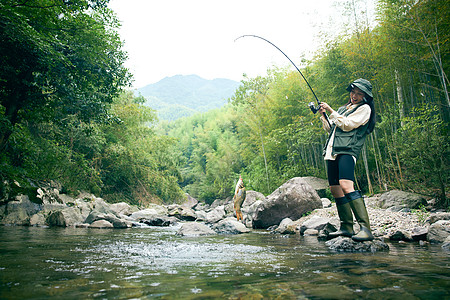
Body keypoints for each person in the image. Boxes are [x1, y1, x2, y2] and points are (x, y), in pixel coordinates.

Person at [318, 78, 376, 242]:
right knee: (335, 188)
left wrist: (331, 110)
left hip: (347, 151)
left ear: (365, 96)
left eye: (359, 93)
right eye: (353, 92)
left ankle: (366, 228)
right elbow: (332, 129)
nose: (355, 96)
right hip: (332, 151)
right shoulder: (343, 108)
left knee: (346, 185)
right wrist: (324, 115)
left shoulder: (364, 109)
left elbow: (348, 125)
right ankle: (346, 226)